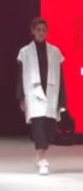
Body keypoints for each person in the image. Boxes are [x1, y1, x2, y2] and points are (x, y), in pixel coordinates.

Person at [16, 17, 67, 175]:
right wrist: (21, 96)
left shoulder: (55, 51)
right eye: (38, 30)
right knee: (38, 126)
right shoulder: (25, 52)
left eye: (44, 30)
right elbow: (20, 76)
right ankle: (42, 160)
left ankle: (39, 157)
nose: (41, 33)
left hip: (51, 92)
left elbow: (61, 77)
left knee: (49, 127)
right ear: (33, 31)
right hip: (33, 92)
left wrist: (62, 99)